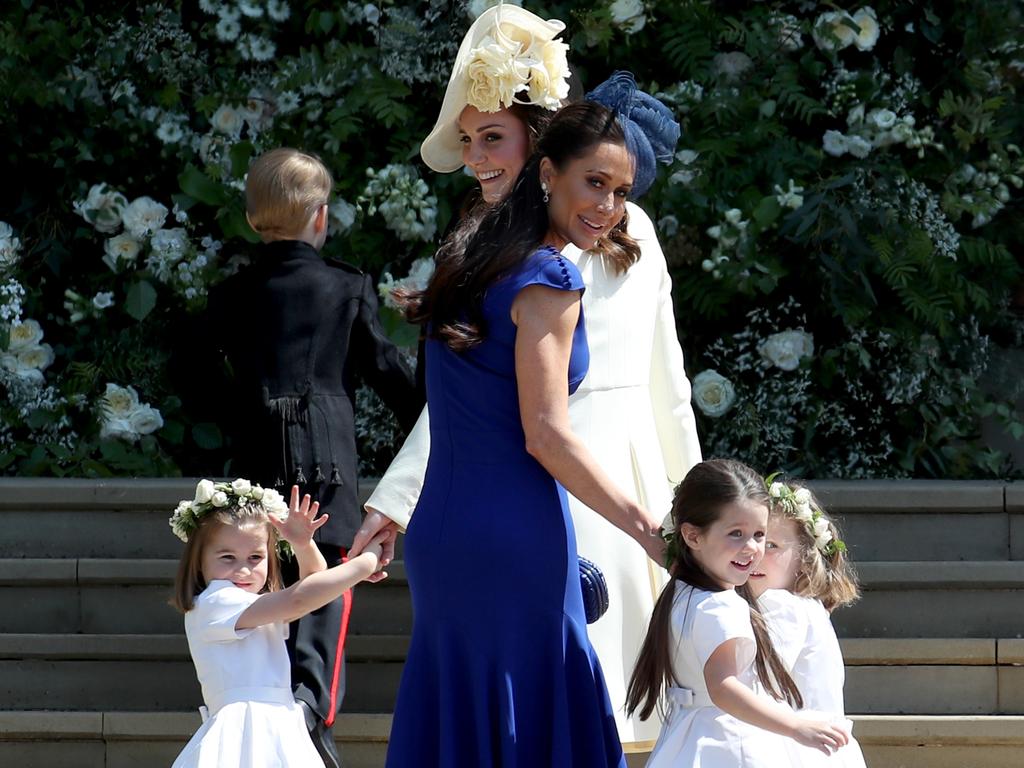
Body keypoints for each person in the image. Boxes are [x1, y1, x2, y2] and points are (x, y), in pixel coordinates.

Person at [356, 6, 702, 749]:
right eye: (471, 140)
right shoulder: (511, 255)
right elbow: (513, 414)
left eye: (493, 138)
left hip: (589, 481)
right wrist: (662, 531)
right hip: (541, 497)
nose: (606, 204)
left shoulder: (508, 243)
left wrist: (690, 500)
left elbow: (665, 384)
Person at [201, 147, 421, 766]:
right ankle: (310, 720)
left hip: (254, 458)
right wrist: (436, 427)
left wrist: (242, 410)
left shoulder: (231, 293)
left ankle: (273, 721)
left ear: (251, 219)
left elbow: (188, 370)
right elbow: (386, 370)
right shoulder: (345, 285)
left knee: (258, 586)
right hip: (325, 463)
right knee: (324, 596)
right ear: (321, 217)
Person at [626, 459, 851, 767]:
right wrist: (795, 726)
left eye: (760, 536)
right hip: (728, 743)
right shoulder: (723, 605)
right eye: (736, 533)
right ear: (692, 536)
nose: (751, 548)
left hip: (683, 740)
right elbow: (723, 687)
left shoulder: (681, 592)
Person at [169, 479, 389, 768]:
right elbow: (301, 599)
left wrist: (302, 543)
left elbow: (313, 587)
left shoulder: (253, 605)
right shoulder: (215, 602)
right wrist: (365, 563)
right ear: (198, 561)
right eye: (227, 558)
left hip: (279, 724)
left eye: (256, 557)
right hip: (245, 733)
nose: (244, 568)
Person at [746, 480, 868, 768]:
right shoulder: (807, 607)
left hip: (796, 746)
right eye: (754, 538)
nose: (756, 553)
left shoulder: (781, 606)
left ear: (804, 558)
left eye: (772, 545)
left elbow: (759, 681)